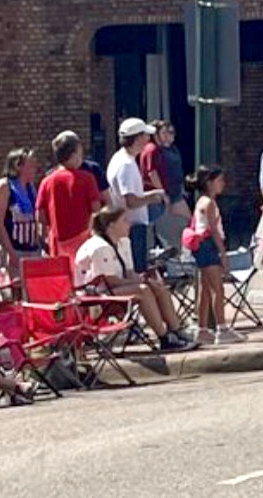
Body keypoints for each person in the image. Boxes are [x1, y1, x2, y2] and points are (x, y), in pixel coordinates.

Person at [75, 204, 193, 351]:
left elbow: (129, 273)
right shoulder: (100, 248)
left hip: (116, 289)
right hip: (97, 296)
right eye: (124, 220)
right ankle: (164, 337)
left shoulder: (124, 242)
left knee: (158, 286)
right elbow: (110, 281)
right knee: (142, 290)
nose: (128, 224)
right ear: (111, 226)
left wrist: (145, 280)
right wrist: (141, 282)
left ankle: (176, 330)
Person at [185, 167, 240, 346]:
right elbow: (214, 231)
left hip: (201, 248)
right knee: (218, 288)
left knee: (205, 289)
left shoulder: (200, 200)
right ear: (210, 182)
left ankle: (202, 329)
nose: (223, 184)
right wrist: (223, 253)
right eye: (220, 180)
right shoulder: (210, 203)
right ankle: (221, 328)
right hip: (209, 246)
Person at [106, 119, 164, 274]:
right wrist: (154, 196)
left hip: (127, 224)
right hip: (133, 226)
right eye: (145, 135)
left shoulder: (119, 158)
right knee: (137, 271)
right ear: (138, 138)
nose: (148, 139)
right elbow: (131, 201)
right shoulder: (127, 165)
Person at [35, 131, 101, 262]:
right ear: (74, 155)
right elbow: (96, 210)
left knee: (63, 279)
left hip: (57, 243)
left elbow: (40, 216)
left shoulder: (47, 181)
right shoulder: (87, 178)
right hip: (84, 241)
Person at [0, 149, 42, 282]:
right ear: (18, 166)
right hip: (12, 249)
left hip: (31, 250)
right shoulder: (4, 186)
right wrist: (11, 253)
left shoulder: (31, 188)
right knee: (13, 291)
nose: (35, 167)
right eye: (31, 164)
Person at [141, 120, 188, 251]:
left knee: (187, 222)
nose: (168, 136)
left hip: (176, 192)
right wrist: (162, 193)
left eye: (171, 132)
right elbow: (152, 172)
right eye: (164, 132)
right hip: (160, 196)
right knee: (160, 226)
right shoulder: (152, 149)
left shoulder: (173, 149)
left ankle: (183, 252)